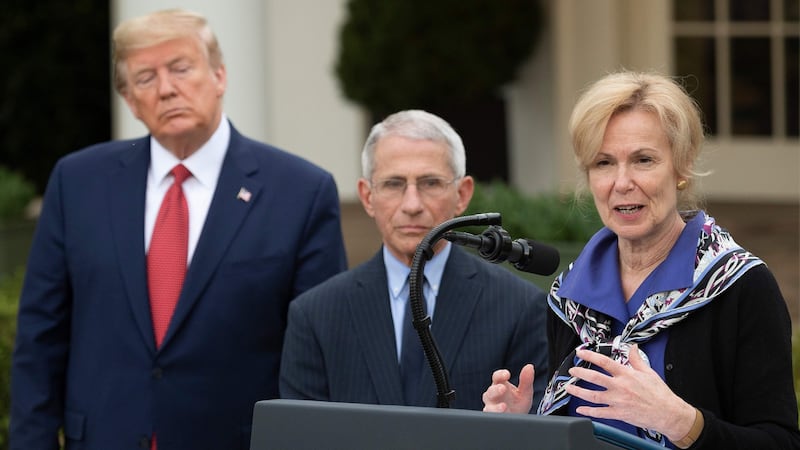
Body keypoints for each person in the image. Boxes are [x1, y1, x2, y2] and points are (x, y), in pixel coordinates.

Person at [9, 8, 347, 450]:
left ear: (220, 76)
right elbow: (40, 337)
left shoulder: (301, 191)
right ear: (130, 100)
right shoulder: (77, 183)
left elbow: (320, 354)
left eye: (181, 68)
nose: (167, 89)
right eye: (145, 78)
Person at [482, 71, 800, 449]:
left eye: (643, 160)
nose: (621, 182)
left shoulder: (741, 286)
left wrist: (682, 423)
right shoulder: (568, 297)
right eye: (603, 163)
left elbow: (780, 442)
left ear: (681, 167)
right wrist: (521, 430)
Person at [279, 109, 549, 410]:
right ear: (367, 197)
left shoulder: (519, 306)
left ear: (462, 194)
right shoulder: (316, 315)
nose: (412, 205)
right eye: (394, 184)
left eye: (430, 183)